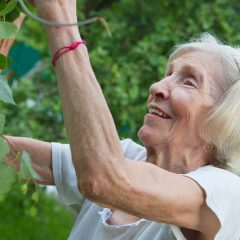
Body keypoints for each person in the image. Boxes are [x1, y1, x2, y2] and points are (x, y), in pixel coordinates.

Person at [2, 1, 240, 239]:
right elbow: (6, 155)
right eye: (168, 75)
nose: (157, 86)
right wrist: (13, 12)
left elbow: (103, 179)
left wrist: (61, 21)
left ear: (226, 119)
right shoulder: (126, 158)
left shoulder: (225, 194)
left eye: (189, 81)